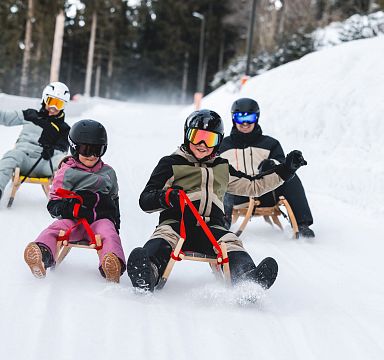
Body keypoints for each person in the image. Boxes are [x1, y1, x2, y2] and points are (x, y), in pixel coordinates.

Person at [126, 109, 306, 292]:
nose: (203, 144)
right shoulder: (171, 163)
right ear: (187, 135)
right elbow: (145, 199)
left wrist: (286, 170)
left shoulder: (222, 168)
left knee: (231, 243)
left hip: (212, 228)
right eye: (197, 137)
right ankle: (148, 271)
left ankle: (247, 280)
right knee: (163, 238)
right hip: (177, 223)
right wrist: (167, 196)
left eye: (210, 139)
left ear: (218, 142)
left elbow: (253, 185)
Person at [23, 119, 126, 283]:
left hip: (99, 220)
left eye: (97, 150)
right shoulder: (68, 172)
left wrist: (116, 225)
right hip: (74, 221)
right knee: (55, 229)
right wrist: (72, 209)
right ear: (75, 148)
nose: (92, 156)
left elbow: (115, 201)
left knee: (110, 233)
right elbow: (54, 204)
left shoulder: (109, 173)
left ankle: (112, 263)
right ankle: (41, 254)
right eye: (86, 150)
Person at [220, 98, 315, 238]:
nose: (245, 123)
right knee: (222, 177)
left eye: (250, 118)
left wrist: (272, 164)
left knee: (289, 175)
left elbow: (284, 167)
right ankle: (222, 223)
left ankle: (302, 223)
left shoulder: (270, 143)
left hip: (266, 192)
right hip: (237, 194)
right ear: (233, 118)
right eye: (240, 118)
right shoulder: (223, 145)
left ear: (256, 118)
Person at [0, 81, 71, 201]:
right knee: (11, 156)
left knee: (65, 163)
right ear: (44, 99)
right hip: (23, 158)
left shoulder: (64, 128)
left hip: (45, 163)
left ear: (63, 106)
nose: (54, 107)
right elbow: (6, 118)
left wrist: (53, 152)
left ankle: (68, 201)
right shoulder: (30, 115)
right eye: (51, 102)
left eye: (58, 104)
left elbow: (63, 149)